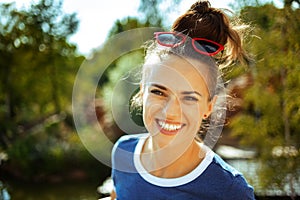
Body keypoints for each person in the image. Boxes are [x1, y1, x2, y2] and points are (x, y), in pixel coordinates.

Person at [106, 1, 255, 199]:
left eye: (189, 98)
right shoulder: (123, 151)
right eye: (159, 92)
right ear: (142, 91)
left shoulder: (230, 190)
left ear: (208, 107)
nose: (170, 112)